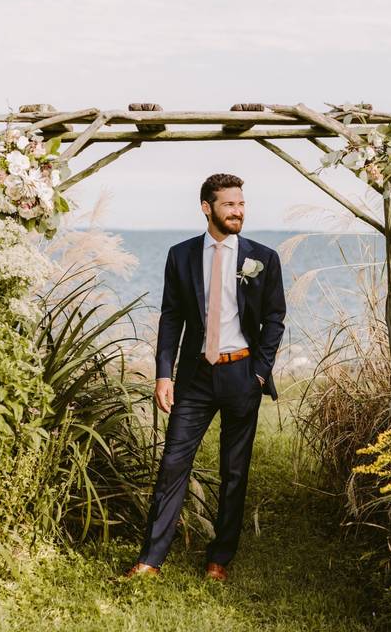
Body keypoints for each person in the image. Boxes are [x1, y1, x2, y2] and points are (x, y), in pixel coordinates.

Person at [123, 173, 286, 581]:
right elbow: (171, 317)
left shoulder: (262, 257)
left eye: (242, 204)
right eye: (229, 204)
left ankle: (220, 558)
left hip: (242, 374)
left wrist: (260, 374)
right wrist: (164, 375)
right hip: (195, 377)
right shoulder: (180, 255)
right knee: (173, 463)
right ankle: (151, 559)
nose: (238, 211)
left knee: (235, 471)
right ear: (206, 207)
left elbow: (274, 319)